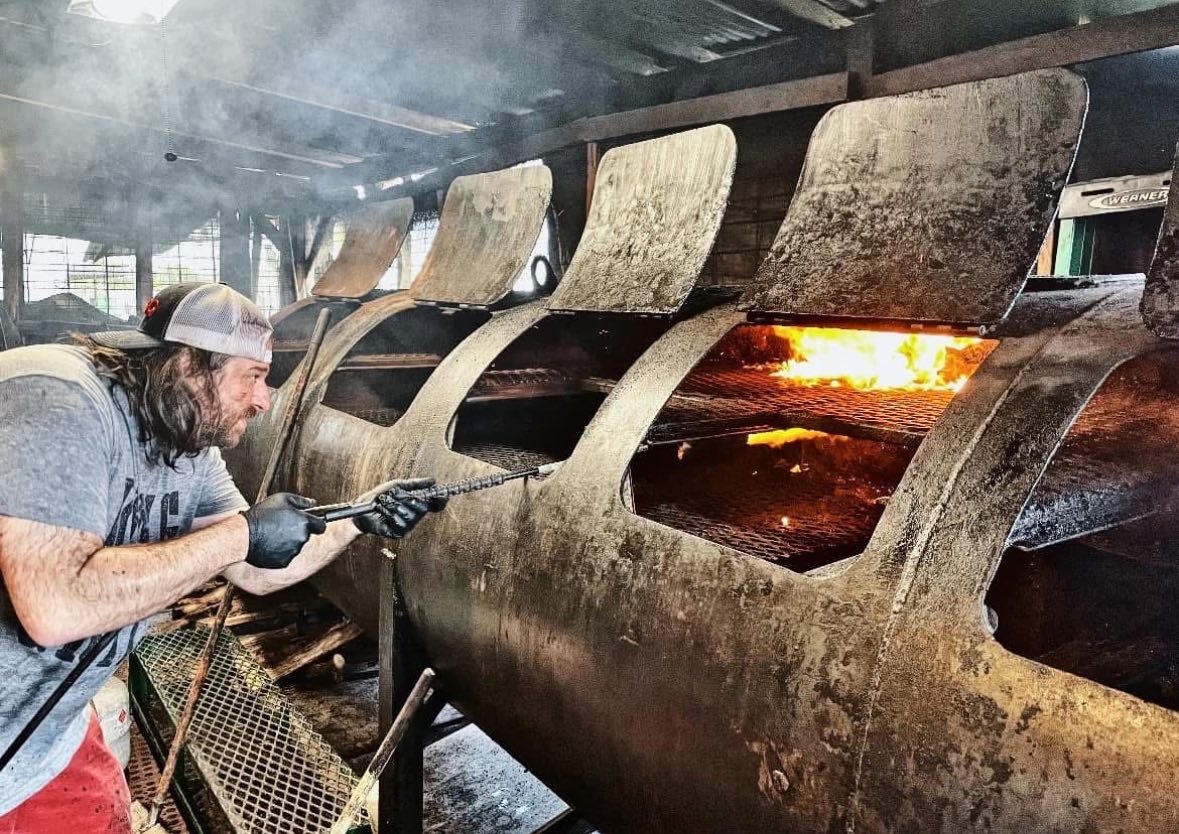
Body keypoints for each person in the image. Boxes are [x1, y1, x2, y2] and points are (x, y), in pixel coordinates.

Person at [0, 282, 445, 833]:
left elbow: (254, 568)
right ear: (189, 364)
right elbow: (55, 608)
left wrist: (360, 515)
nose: (264, 400)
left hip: (48, 732)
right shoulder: (57, 396)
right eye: (253, 377)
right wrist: (242, 534)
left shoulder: (188, 445)